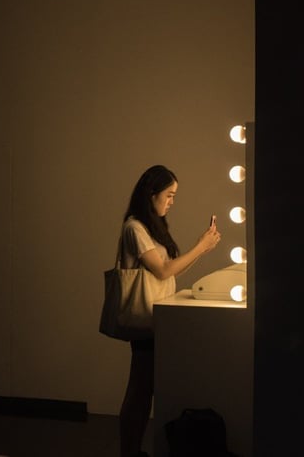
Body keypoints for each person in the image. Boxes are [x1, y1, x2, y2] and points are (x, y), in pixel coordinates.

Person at [116, 165, 220, 457]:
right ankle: (129, 451)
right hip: (146, 318)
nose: (172, 201)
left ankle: (132, 450)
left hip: (157, 318)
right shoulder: (134, 227)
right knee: (139, 390)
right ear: (152, 195)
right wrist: (200, 247)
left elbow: (170, 271)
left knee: (143, 389)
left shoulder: (152, 227)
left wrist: (202, 249)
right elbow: (163, 271)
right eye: (169, 195)